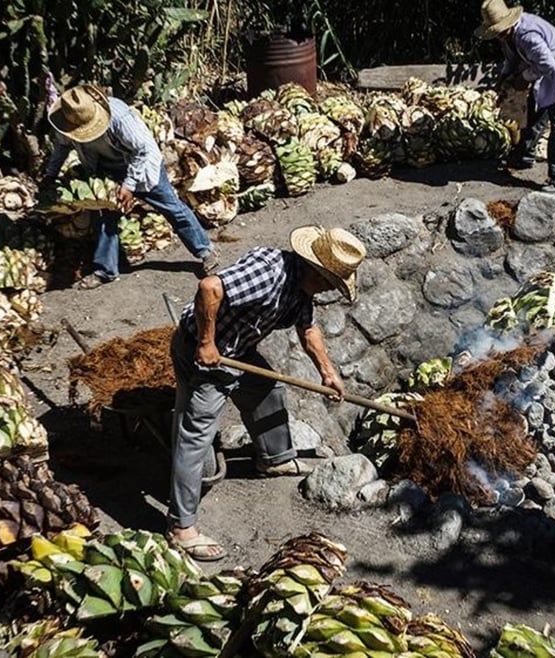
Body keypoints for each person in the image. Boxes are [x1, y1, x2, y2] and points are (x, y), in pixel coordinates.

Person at [167, 226, 367, 561]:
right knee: (196, 435)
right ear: (315, 270)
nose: (329, 288)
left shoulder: (301, 289)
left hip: (238, 348)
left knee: (267, 389)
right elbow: (209, 286)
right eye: (329, 281)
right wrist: (206, 343)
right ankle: (180, 527)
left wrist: (328, 373)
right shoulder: (269, 274)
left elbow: (308, 328)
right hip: (204, 352)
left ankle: (273, 459)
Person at [43, 85, 221, 288]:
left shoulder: (120, 117)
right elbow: (61, 148)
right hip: (103, 169)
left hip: (139, 165)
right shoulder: (67, 122)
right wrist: (50, 174)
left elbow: (143, 150)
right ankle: (105, 270)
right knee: (104, 217)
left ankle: (205, 250)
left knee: (171, 207)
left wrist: (128, 185)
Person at [476, 0, 555, 195]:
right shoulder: (508, 37)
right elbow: (512, 59)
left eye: (498, 32)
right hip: (545, 78)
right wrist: (505, 78)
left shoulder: (528, 36)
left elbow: (547, 65)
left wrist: (524, 78)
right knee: (533, 117)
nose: (497, 36)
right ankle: (524, 157)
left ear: (507, 25)